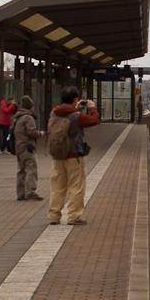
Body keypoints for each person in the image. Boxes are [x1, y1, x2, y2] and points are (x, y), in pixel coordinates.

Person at [48, 86, 100, 226]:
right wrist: (92, 107)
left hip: (58, 156)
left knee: (57, 187)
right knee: (76, 187)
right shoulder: (77, 116)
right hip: (74, 157)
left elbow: (67, 115)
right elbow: (95, 120)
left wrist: (75, 108)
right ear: (75, 100)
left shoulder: (54, 113)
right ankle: (73, 217)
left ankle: (54, 216)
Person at [12, 95, 44, 201]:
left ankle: (20, 193)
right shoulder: (28, 117)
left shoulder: (17, 117)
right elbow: (31, 132)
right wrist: (40, 133)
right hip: (28, 148)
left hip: (19, 148)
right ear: (30, 106)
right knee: (32, 169)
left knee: (21, 171)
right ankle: (30, 192)